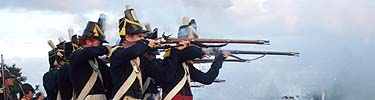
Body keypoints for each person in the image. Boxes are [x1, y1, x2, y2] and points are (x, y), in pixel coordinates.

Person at [110, 5, 160, 100]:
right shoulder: (117, 53)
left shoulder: (140, 58)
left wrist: (176, 52)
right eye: (140, 36)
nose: (143, 39)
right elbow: (134, 51)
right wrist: (146, 43)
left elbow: (161, 74)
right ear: (128, 38)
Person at [158, 42, 230, 100]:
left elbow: (207, 79)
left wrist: (219, 59)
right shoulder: (169, 61)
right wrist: (202, 52)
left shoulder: (186, 66)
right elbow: (193, 52)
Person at [69, 21, 112, 100]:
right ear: (88, 42)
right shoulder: (76, 56)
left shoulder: (97, 62)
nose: (101, 46)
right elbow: (89, 52)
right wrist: (106, 49)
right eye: (99, 43)